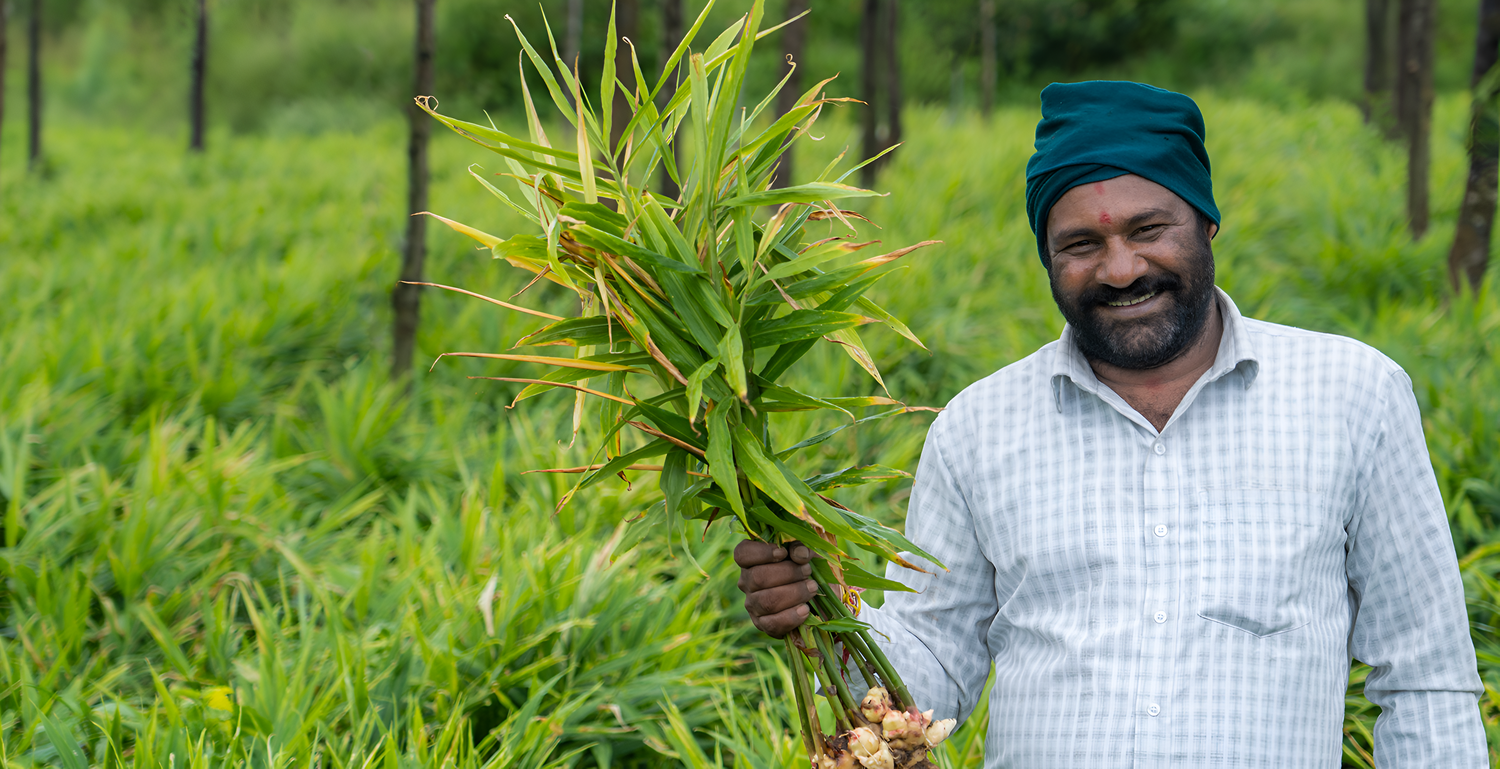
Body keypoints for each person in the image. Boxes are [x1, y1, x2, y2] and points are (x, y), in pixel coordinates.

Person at [733, 81, 1486, 767]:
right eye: (1082, 245)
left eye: (1149, 228)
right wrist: (821, 610)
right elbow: (928, 671)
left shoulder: (1354, 397)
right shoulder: (978, 429)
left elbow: (1424, 679)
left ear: (1206, 223)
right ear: (1046, 257)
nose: (1120, 269)